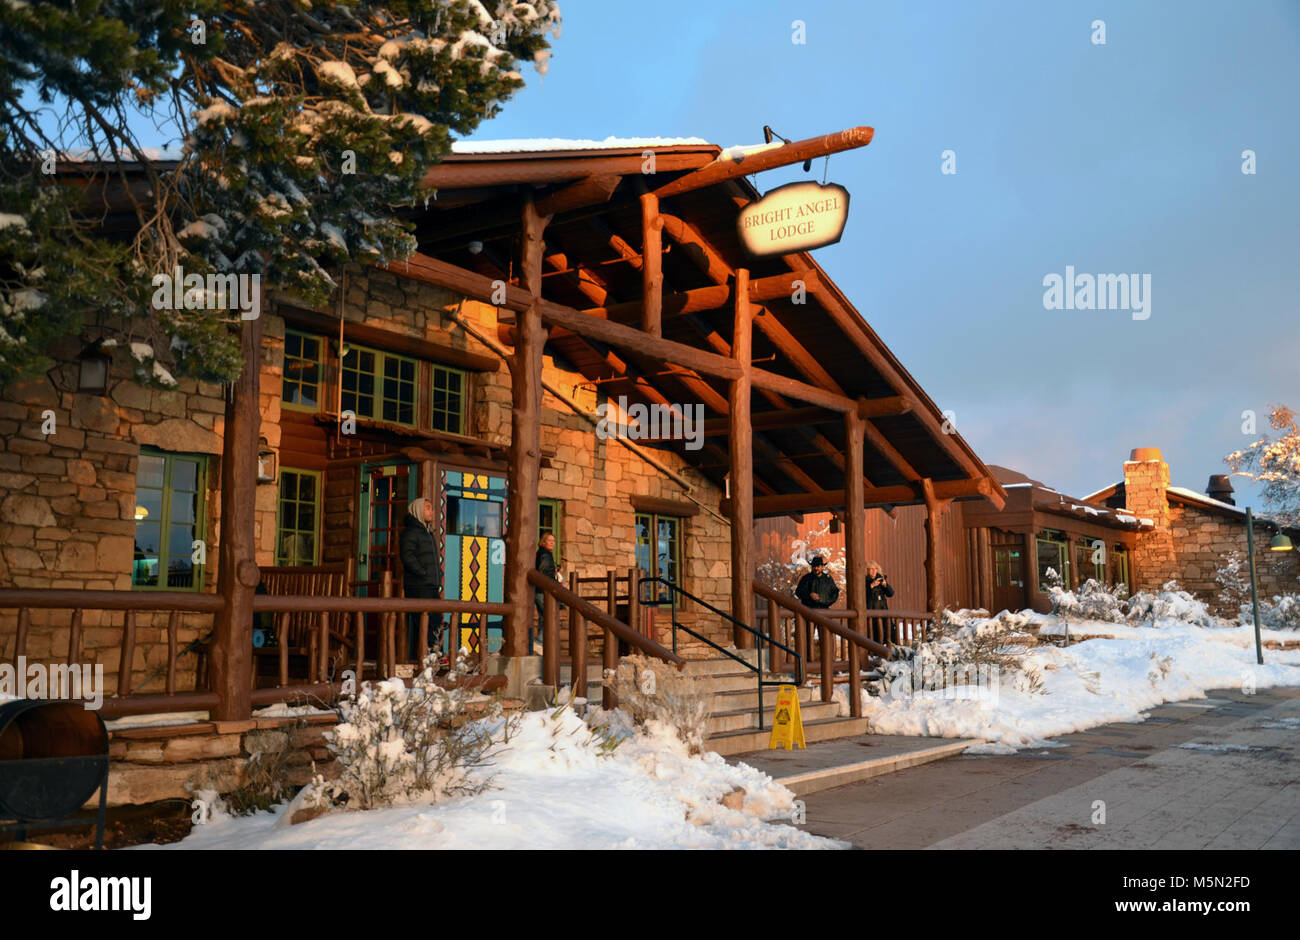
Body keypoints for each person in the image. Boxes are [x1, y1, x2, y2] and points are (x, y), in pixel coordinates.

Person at [399, 497, 442, 663]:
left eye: (431, 508)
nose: (432, 511)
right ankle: (425, 656)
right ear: (418, 510)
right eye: (428, 508)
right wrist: (422, 573)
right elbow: (407, 556)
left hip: (430, 585)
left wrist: (436, 576)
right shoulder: (411, 532)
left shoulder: (428, 532)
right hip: (418, 585)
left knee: (436, 619)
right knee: (424, 621)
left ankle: (434, 653)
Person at [532, 532, 562, 654]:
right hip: (543, 591)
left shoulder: (542, 553)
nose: (552, 543)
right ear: (543, 541)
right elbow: (543, 572)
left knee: (544, 617)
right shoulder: (545, 555)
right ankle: (539, 642)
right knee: (551, 615)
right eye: (549, 540)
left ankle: (541, 645)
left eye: (553, 541)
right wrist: (553, 583)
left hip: (539, 590)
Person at [866, 560, 895, 644]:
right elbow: (862, 595)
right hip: (871, 611)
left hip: (883, 611)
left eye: (875, 569)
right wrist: (871, 586)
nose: (874, 571)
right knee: (874, 634)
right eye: (871, 569)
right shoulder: (865, 581)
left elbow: (891, 593)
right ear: (866, 570)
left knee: (888, 632)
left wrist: (885, 585)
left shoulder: (881, 579)